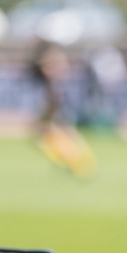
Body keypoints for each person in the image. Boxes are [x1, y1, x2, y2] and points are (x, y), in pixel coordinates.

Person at [27, 36, 96, 177]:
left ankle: (72, 160)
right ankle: (77, 159)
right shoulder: (53, 57)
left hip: (56, 100)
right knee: (59, 131)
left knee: (48, 132)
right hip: (57, 99)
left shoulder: (49, 58)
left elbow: (54, 74)